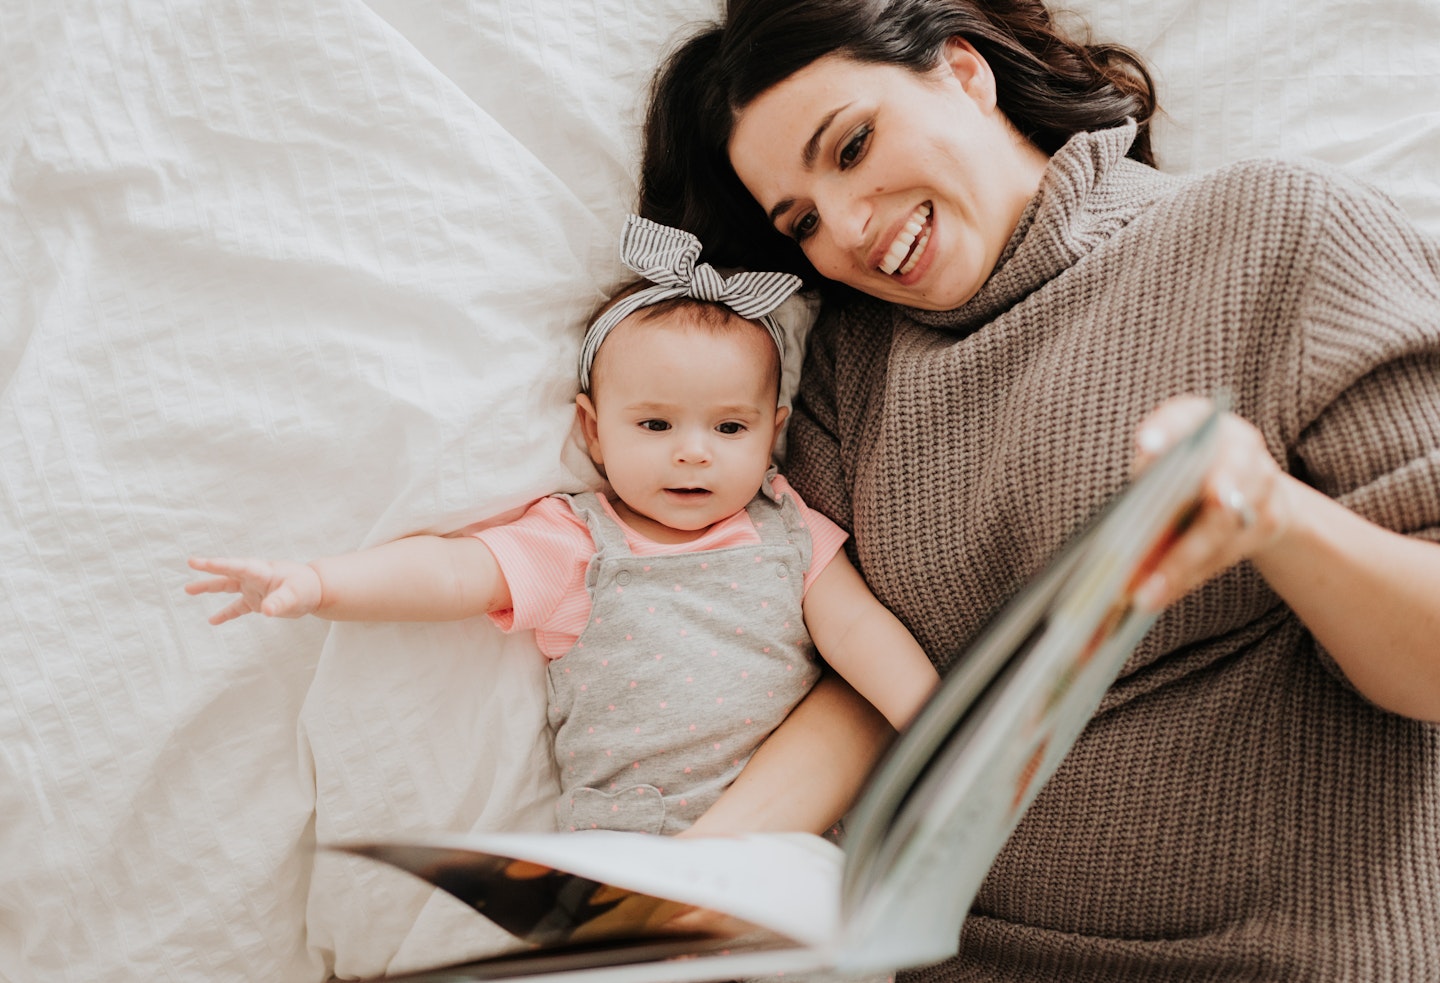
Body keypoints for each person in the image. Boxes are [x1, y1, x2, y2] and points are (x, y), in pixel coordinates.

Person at [638, 0, 1440, 979]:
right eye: (799, 221)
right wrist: (671, 886)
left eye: (851, 146)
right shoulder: (851, 376)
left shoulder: (1276, 229)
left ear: (964, 73)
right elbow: (859, 682)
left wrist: (1276, 518)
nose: (845, 229)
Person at [186, 215, 939, 839]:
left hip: (795, 827)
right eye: (654, 422)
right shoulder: (579, 542)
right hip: (633, 836)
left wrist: (941, 724)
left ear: (772, 431)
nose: (692, 449)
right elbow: (451, 573)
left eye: (730, 426)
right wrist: (319, 581)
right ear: (594, 430)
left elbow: (856, 632)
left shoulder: (787, 528)